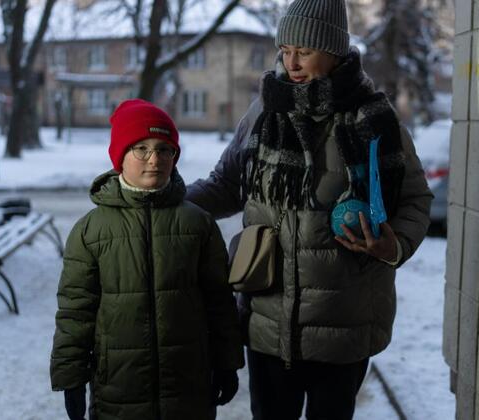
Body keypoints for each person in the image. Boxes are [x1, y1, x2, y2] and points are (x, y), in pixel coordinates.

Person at [185, 1, 433, 418]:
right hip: (267, 320)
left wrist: (394, 245)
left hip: (345, 325)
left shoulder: (374, 118)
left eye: (305, 51)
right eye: (285, 50)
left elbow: (414, 200)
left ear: (334, 50)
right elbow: (227, 185)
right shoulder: (264, 111)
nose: (292, 62)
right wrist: (164, 199)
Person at [50, 99, 244, 420]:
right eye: (141, 148)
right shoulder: (90, 230)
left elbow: (218, 301)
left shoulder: (198, 224)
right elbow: (75, 311)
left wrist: (227, 364)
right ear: (119, 157)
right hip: (118, 388)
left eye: (165, 149)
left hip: (188, 387)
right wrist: (71, 379)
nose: (154, 159)